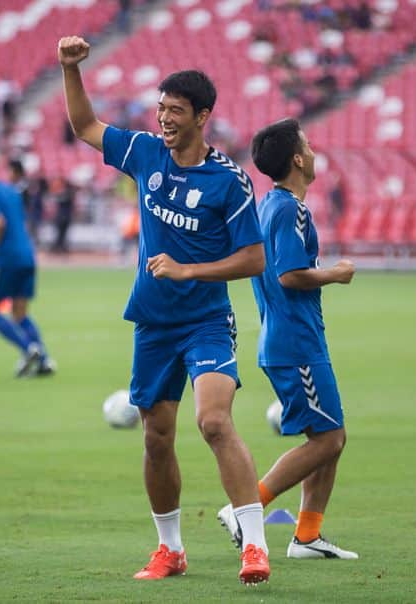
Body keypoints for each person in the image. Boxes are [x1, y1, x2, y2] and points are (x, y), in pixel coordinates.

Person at [58, 35, 271, 584]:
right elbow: (85, 127)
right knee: (156, 436)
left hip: (206, 321)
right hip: (153, 323)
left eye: (175, 111)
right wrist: (70, 69)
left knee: (214, 421)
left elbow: (253, 258)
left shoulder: (229, 181)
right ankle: (170, 550)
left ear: (203, 116)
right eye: (160, 109)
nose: (164, 119)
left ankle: (255, 546)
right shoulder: (145, 153)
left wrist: (188, 270)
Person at [217, 118, 358, 560]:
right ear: (298, 159)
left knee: (329, 436)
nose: (314, 151)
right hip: (295, 343)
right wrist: (334, 274)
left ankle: (308, 537)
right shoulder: (290, 209)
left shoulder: (269, 205)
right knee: (329, 440)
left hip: (292, 340)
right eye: (309, 145)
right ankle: (247, 508)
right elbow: (290, 274)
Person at [0, 150, 54, 377]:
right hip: (27, 255)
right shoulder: (9, 189)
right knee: (20, 313)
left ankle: (29, 349)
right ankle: (44, 360)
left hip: (7, 258)